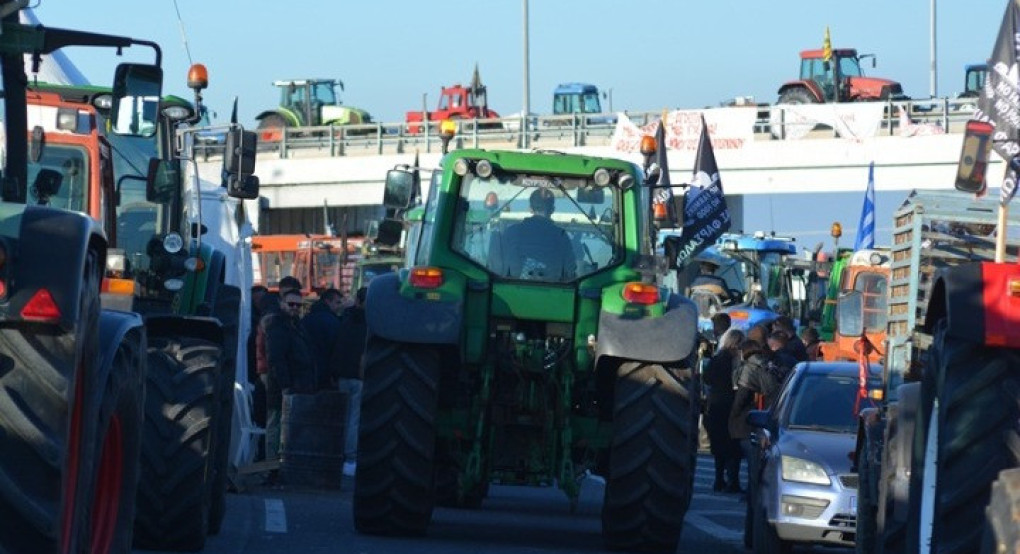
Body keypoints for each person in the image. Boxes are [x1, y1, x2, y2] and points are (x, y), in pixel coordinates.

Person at [262, 288, 317, 468]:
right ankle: (272, 467)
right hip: (282, 388)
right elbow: (276, 359)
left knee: (288, 429)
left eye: (298, 305)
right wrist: (285, 386)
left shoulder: (296, 325)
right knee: (276, 428)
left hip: (298, 386)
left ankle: (283, 466)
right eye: (291, 304)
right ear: (281, 304)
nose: (295, 308)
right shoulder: (277, 324)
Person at [492, 188, 576, 281]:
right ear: (552, 210)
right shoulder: (561, 236)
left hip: (512, 291)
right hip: (552, 292)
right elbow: (569, 272)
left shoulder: (511, 232)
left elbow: (497, 266)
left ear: (530, 209)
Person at [332, 286, 368, 477]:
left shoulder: (343, 320)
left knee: (341, 418)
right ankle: (350, 459)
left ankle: (337, 455)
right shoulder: (370, 324)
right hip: (357, 377)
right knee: (354, 419)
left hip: (340, 376)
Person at [703, 328, 744, 492]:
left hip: (716, 404)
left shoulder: (716, 359)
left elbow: (706, 378)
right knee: (733, 446)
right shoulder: (737, 362)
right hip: (733, 405)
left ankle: (718, 479)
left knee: (718, 444)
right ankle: (733, 481)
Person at [300, 287, 344, 390]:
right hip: (326, 372)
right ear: (328, 301)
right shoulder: (333, 322)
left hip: (307, 371)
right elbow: (336, 350)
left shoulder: (305, 319)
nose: (339, 306)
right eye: (337, 303)